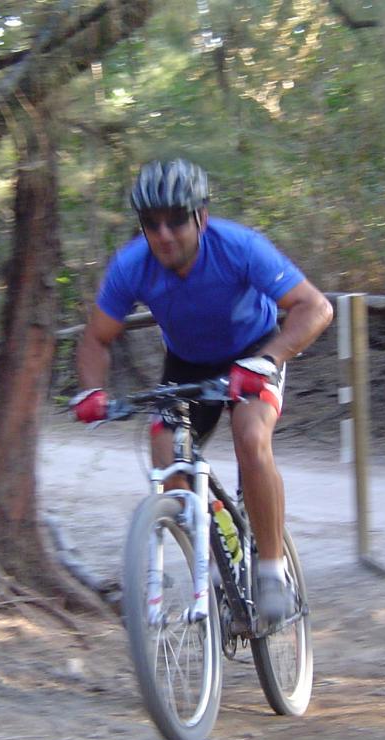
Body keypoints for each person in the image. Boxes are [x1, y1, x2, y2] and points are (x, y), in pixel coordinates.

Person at [71, 158, 333, 628]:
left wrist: (269, 360)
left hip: (253, 353)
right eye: (152, 224)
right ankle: (218, 552)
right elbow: (96, 337)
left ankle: (271, 572)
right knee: (166, 459)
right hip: (188, 364)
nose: (164, 234)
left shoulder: (240, 247)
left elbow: (315, 308)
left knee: (251, 437)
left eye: (176, 220)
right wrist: (92, 390)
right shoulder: (132, 265)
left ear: (201, 216)